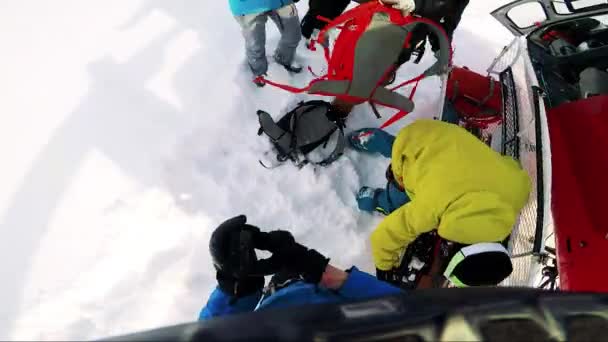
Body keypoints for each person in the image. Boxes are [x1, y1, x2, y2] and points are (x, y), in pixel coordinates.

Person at [349, 119, 531, 282]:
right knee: (399, 201)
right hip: (410, 159)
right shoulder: (434, 207)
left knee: (402, 145)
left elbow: (510, 163)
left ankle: (376, 138)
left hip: (440, 136)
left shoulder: (520, 189)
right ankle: (376, 199)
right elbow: (383, 237)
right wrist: (385, 271)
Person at [199, 215, 402, 319]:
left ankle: (285, 284)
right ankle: (288, 282)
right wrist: (326, 274)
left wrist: (237, 288)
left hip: (280, 310)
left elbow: (210, 336)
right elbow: (407, 311)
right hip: (330, 305)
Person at [229, 0, 304, 87]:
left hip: (281, 1)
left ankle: (283, 59)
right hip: (248, 5)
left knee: (293, 34)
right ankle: (259, 72)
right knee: (255, 45)